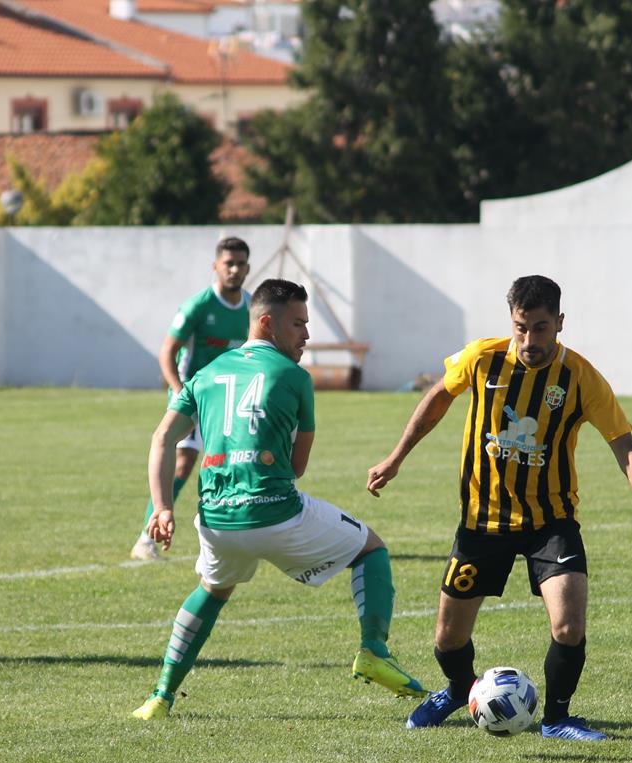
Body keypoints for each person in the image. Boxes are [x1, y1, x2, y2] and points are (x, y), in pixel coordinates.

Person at [366, 275, 632, 740]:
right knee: (448, 639)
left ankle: (558, 717)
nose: (529, 340)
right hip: (483, 523)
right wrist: (396, 457)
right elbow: (440, 396)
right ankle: (459, 690)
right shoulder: (482, 358)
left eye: (541, 328)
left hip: (551, 523)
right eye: (521, 327)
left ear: (560, 323)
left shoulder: (581, 378)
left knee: (568, 625)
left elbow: (625, 449)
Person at [132, 278, 427, 720]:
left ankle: (160, 696)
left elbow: (162, 438)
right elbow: (296, 466)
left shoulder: (205, 375)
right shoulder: (294, 377)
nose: (306, 335)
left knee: (213, 591)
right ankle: (373, 650)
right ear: (267, 323)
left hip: (216, 520)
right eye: (298, 324)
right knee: (372, 550)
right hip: (277, 515)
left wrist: (162, 507)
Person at [131, 236, 252, 562]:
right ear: (216, 266)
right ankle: (147, 536)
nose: (235, 269)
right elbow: (167, 352)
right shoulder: (198, 306)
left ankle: (238, 536)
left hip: (226, 401)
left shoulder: (251, 308)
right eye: (229, 263)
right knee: (182, 462)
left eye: (240, 263)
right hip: (192, 395)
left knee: (236, 462)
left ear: (248, 268)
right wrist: (181, 391)